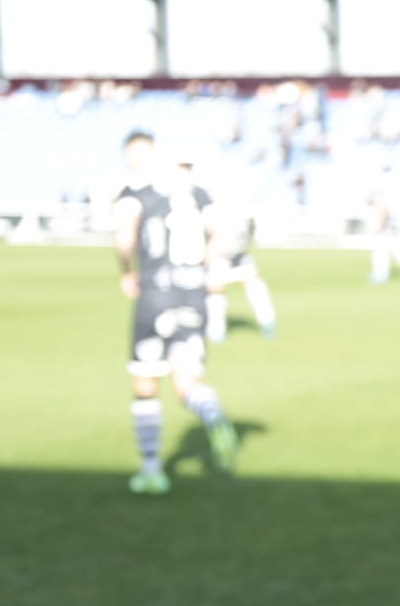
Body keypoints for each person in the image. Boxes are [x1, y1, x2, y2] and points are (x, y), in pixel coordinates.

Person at [113, 129, 239, 494]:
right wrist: (205, 262)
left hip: (155, 292)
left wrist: (125, 272)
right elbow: (225, 234)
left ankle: (151, 470)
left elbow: (124, 239)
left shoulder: (136, 190)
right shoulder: (199, 194)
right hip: (192, 294)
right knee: (186, 382)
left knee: (146, 382)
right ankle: (210, 412)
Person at [202, 171, 278, 343]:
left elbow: (220, 234)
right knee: (219, 288)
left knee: (233, 285)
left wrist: (208, 255)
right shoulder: (225, 207)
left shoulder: (218, 209)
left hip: (225, 254)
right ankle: (217, 329)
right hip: (227, 255)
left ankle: (266, 321)